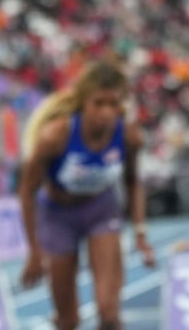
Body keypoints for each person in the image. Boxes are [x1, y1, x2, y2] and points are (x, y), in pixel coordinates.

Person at [17, 61, 154, 330]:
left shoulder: (129, 135)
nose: (106, 112)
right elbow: (26, 192)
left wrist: (140, 231)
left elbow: (133, 181)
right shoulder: (54, 136)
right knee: (68, 320)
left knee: (109, 313)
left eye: (113, 104)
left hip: (100, 210)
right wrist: (34, 251)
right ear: (83, 103)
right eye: (98, 104)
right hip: (57, 216)